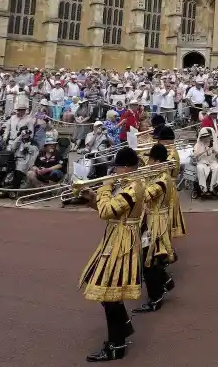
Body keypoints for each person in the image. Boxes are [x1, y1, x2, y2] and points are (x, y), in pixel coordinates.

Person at [79, 147, 145, 363]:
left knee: (108, 293)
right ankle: (123, 329)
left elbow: (108, 210)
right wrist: (90, 198)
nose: (114, 172)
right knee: (109, 293)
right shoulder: (126, 184)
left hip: (122, 243)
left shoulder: (133, 188)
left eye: (116, 168)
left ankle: (116, 345)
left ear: (125, 167)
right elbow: (106, 210)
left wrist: (105, 188)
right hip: (115, 238)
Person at [133, 144, 177, 313]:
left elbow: (145, 195)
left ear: (157, 161)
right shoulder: (157, 172)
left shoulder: (162, 179)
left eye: (150, 160)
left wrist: (134, 183)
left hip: (157, 222)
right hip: (150, 218)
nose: (148, 163)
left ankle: (155, 298)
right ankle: (165, 282)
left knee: (148, 261)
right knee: (152, 258)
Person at [193, 127, 218, 196]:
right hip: (202, 162)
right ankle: (203, 188)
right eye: (204, 137)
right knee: (200, 168)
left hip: (212, 162)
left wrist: (214, 149)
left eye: (207, 136)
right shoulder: (198, 144)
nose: (206, 138)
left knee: (216, 168)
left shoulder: (213, 143)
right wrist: (204, 150)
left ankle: (212, 187)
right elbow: (195, 155)